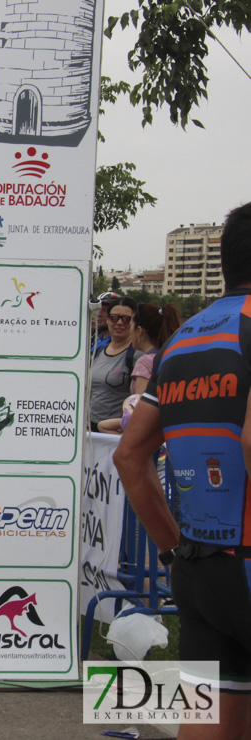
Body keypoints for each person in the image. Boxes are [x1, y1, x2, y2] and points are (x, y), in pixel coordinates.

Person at [113, 203, 251, 740]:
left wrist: (172, 552)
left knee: (210, 722)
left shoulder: (187, 337)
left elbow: (129, 455)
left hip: (199, 570)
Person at [97, 302, 182, 434]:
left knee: (104, 426)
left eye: (129, 324)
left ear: (139, 331)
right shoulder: (167, 356)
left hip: (147, 434)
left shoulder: (145, 362)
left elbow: (140, 410)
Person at [89, 296, 137, 431]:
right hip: (93, 430)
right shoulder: (99, 351)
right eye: (114, 318)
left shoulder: (136, 355)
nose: (119, 323)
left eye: (126, 319)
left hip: (115, 431)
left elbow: (140, 400)